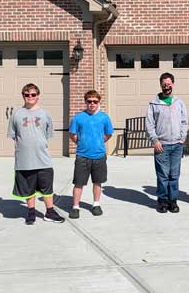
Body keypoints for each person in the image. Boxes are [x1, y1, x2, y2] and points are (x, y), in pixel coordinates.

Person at [7, 83, 64, 225]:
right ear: (23, 96)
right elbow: (14, 135)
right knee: (28, 188)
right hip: (24, 160)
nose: (30, 97)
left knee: (47, 188)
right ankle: (31, 212)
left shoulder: (45, 114)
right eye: (27, 95)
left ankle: (49, 212)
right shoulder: (16, 114)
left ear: (38, 96)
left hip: (43, 159)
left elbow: (47, 134)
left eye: (33, 94)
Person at [146, 72, 188, 214]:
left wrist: (182, 138)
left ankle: (173, 201)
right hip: (161, 145)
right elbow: (149, 124)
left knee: (174, 175)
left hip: (177, 145)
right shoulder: (154, 103)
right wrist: (155, 140)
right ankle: (163, 201)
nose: (167, 87)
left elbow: (184, 121)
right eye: (164, 85)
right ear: (161, 85)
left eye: (169, 84)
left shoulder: (179, 102)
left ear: (173, 84)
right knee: (163, 175)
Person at [68, 90, 114, 218]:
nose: (92, 104)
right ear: (85, 102)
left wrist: (99, 141)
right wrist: (81, 142)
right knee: (78, 183)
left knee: (97, 182)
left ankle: (96, 204)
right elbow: (72, 134)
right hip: (82, 156)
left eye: (95, 101)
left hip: (99, 155)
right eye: (89, 101)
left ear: (99, 102)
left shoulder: (104, 117)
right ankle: (75, 207)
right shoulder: (78, 118)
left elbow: (108, 133)